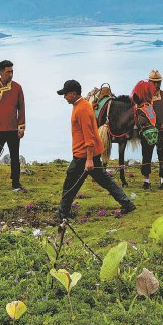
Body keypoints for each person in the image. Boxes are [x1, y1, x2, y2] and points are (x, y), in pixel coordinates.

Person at [56, 79, 135, 221]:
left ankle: (62, 213)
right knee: (104, 180)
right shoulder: (82, 105)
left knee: (70, 182)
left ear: (73, 94)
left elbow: (89, 136)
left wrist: (89, 159)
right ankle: (127, 203)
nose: (64, 97)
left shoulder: (82, 109)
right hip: (87, 153)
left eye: (66, 94)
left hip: (83, 155)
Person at [0, 59, 26, 194]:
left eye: (12, 71)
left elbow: (22, 108)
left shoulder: (17, 88)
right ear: (0, 72)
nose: (11, 74)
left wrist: (21, 127)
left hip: (13, 129)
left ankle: (16, 183)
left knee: (15, 157)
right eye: (8, 72)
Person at [140, 70, 163, 190]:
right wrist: (147, 127)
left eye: (158, 82)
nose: (156, 85)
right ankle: (146, 181)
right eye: (154, 82)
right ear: (149, 82)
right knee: (146, 155)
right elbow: (140, 114)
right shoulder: (144, 96)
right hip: (148, 133)